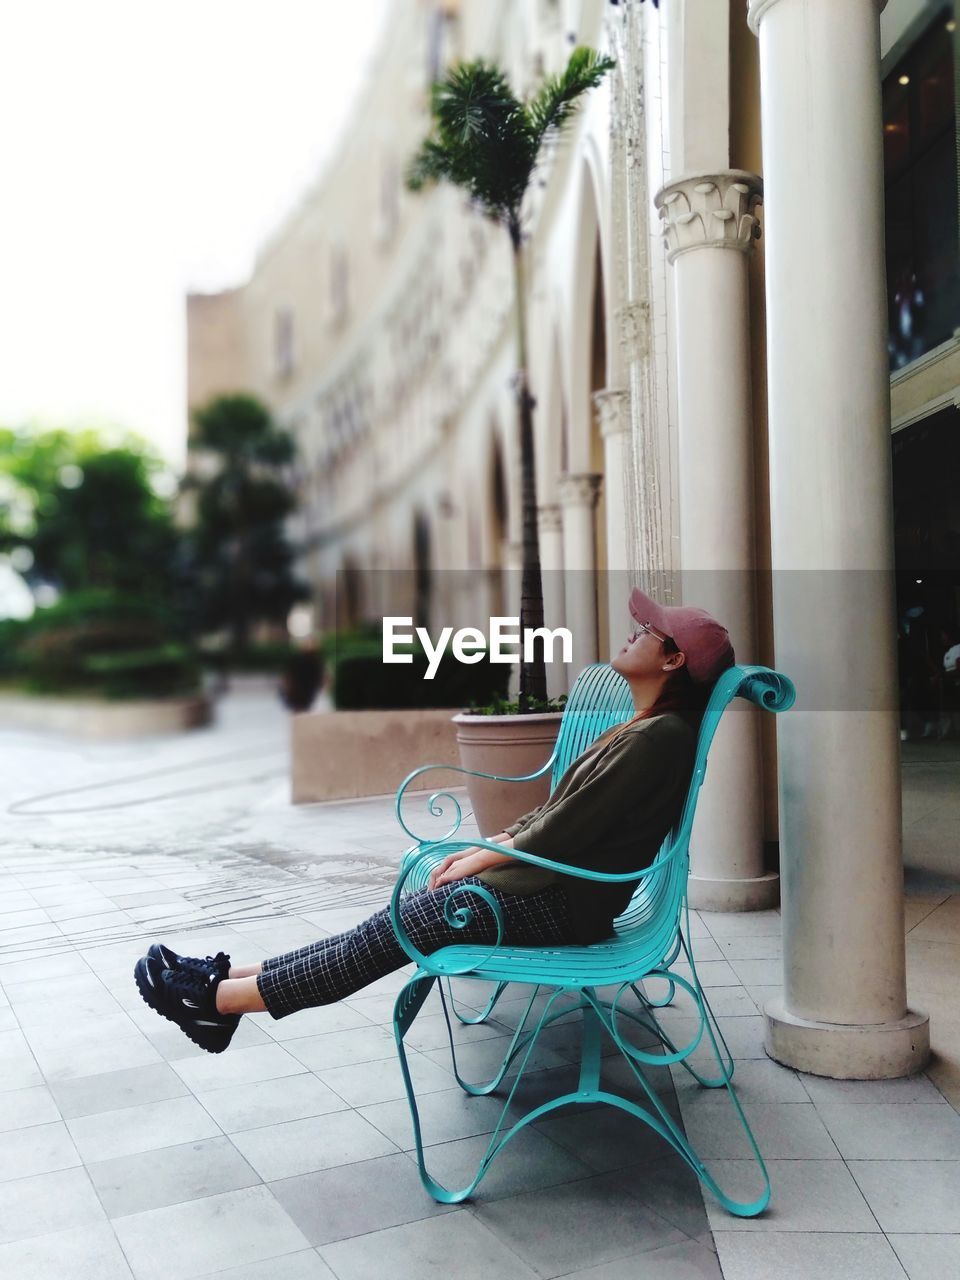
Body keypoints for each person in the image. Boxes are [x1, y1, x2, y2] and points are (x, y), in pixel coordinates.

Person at [134, 588, 736, 1054]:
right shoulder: (647, 729)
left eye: (649, 632)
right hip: (552, 888)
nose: (633, 634)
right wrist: (488, 848)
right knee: (382, 929)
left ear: (674, 659)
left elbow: (565, 830)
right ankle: (224, 984)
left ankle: (219, 1001)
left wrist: (478, 857)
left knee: (392, 931)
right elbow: (558, 814)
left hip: (562, 903)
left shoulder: (658, 738)